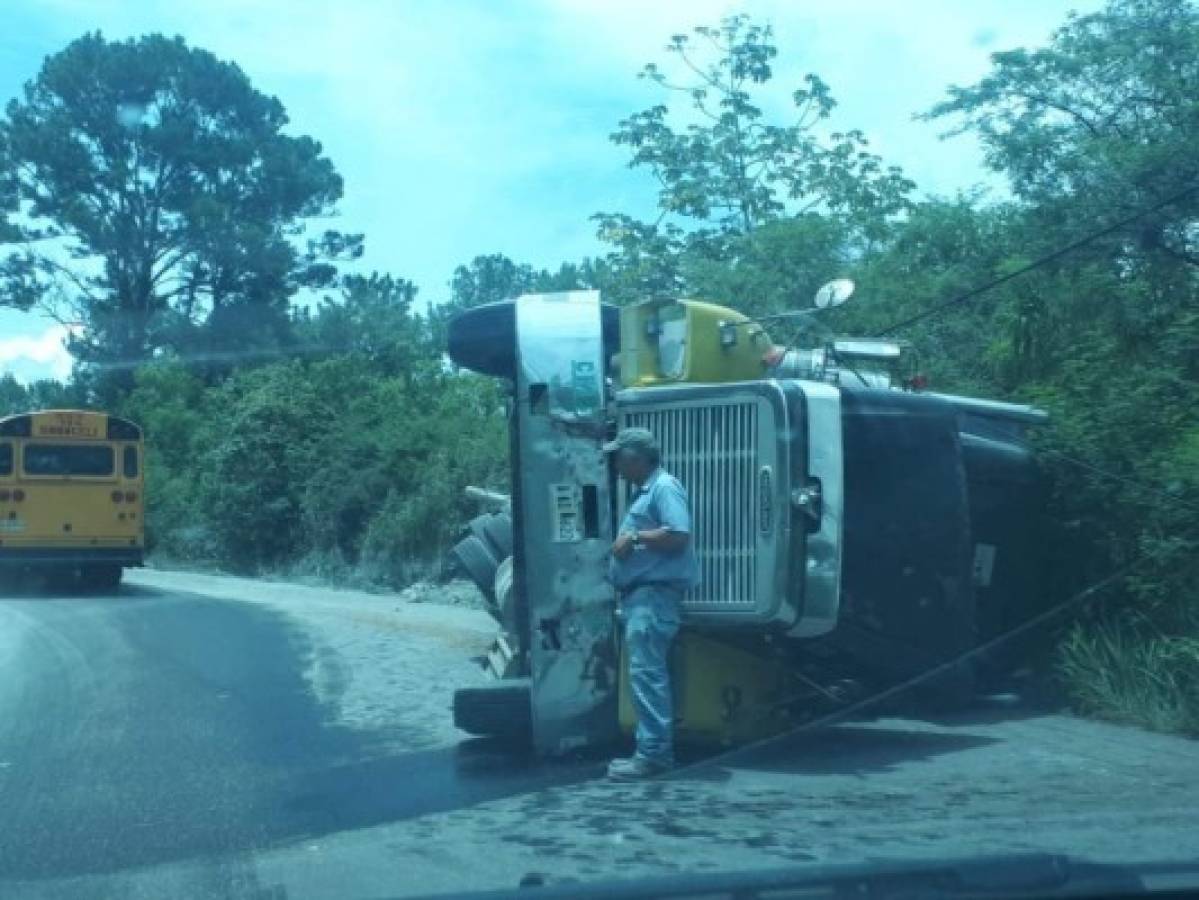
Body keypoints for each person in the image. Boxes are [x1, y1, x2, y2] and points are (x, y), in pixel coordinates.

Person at [603, 427, 699, 780]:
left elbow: (678, 534)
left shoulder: (663, 487)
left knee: (648, 675)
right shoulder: (648, 490)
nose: (615, 465)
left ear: (635, 457)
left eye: (619, 458)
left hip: (652, 596)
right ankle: (652, 749)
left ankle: (654, 755)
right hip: (644, 597)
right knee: (648, 675)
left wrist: (634, 536)